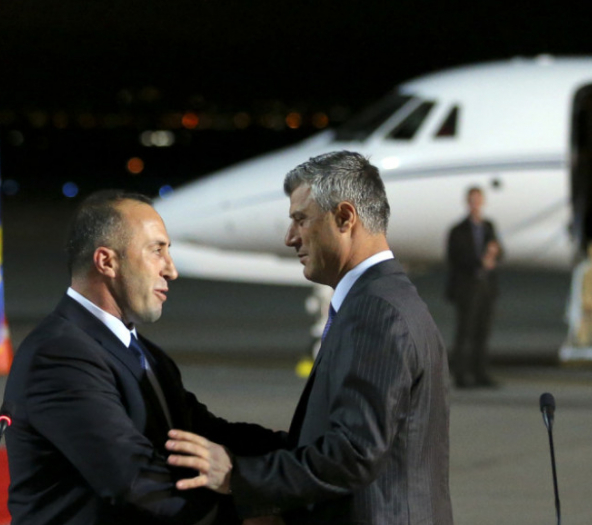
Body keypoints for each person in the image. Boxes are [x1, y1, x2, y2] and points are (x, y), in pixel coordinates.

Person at [167, 151, 454, 525]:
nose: (290, 237)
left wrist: (237, 477)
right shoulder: (384, 299)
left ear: (344, 218)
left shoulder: (376, 311)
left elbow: (353, 454)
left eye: (301, 220)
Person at [1, 190, 286, 525]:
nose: (171, 270)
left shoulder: (144, 353)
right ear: (107, 262)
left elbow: (202, 435)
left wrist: (306, 454)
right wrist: (251, 514)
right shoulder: (60, 356)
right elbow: (134, 481)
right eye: (157, 251)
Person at [445, 186, 502, 388]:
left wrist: (494, 256)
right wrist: (480, 262)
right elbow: (455, 257)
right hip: (467, 287)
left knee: (482, 332)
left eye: (478, 200)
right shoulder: (458, 230)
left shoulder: (488, 227)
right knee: (465, 332)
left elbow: (500, 251)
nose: (476, 204)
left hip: (486, 287)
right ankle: (460, 375)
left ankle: (480, 373)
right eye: (472, 200)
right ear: (468, 203)